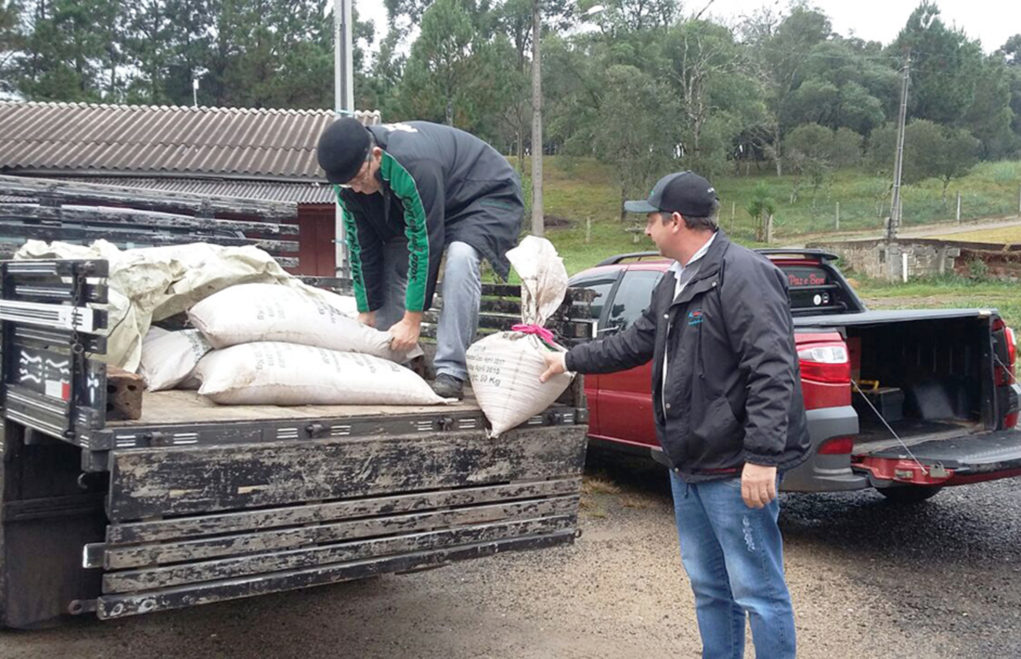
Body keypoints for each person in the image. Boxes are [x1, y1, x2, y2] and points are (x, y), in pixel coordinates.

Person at [540, 171, 810, 658]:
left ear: (677, 221)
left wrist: (763, 457)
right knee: (710, 586)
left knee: (758, 592)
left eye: (651, 220)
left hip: (733, 466)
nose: (646, 230)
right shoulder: (675, 282)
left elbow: (773, 370)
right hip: (688, 462)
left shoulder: (743, 274)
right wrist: (568, 359)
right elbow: (636, 342)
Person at [317, 118, 524, 399]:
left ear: (375, 156)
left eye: (358, 180)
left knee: (461, 256)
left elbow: (425, 242)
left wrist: (412, 320)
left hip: (484, 193)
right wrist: (367, 311)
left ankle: (451, 370)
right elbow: (362, 246)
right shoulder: (349, 183)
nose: (355, 189)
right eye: (347, 184)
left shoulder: (414, 165)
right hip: (440, 198)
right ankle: (400, 363)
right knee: (390, 249)